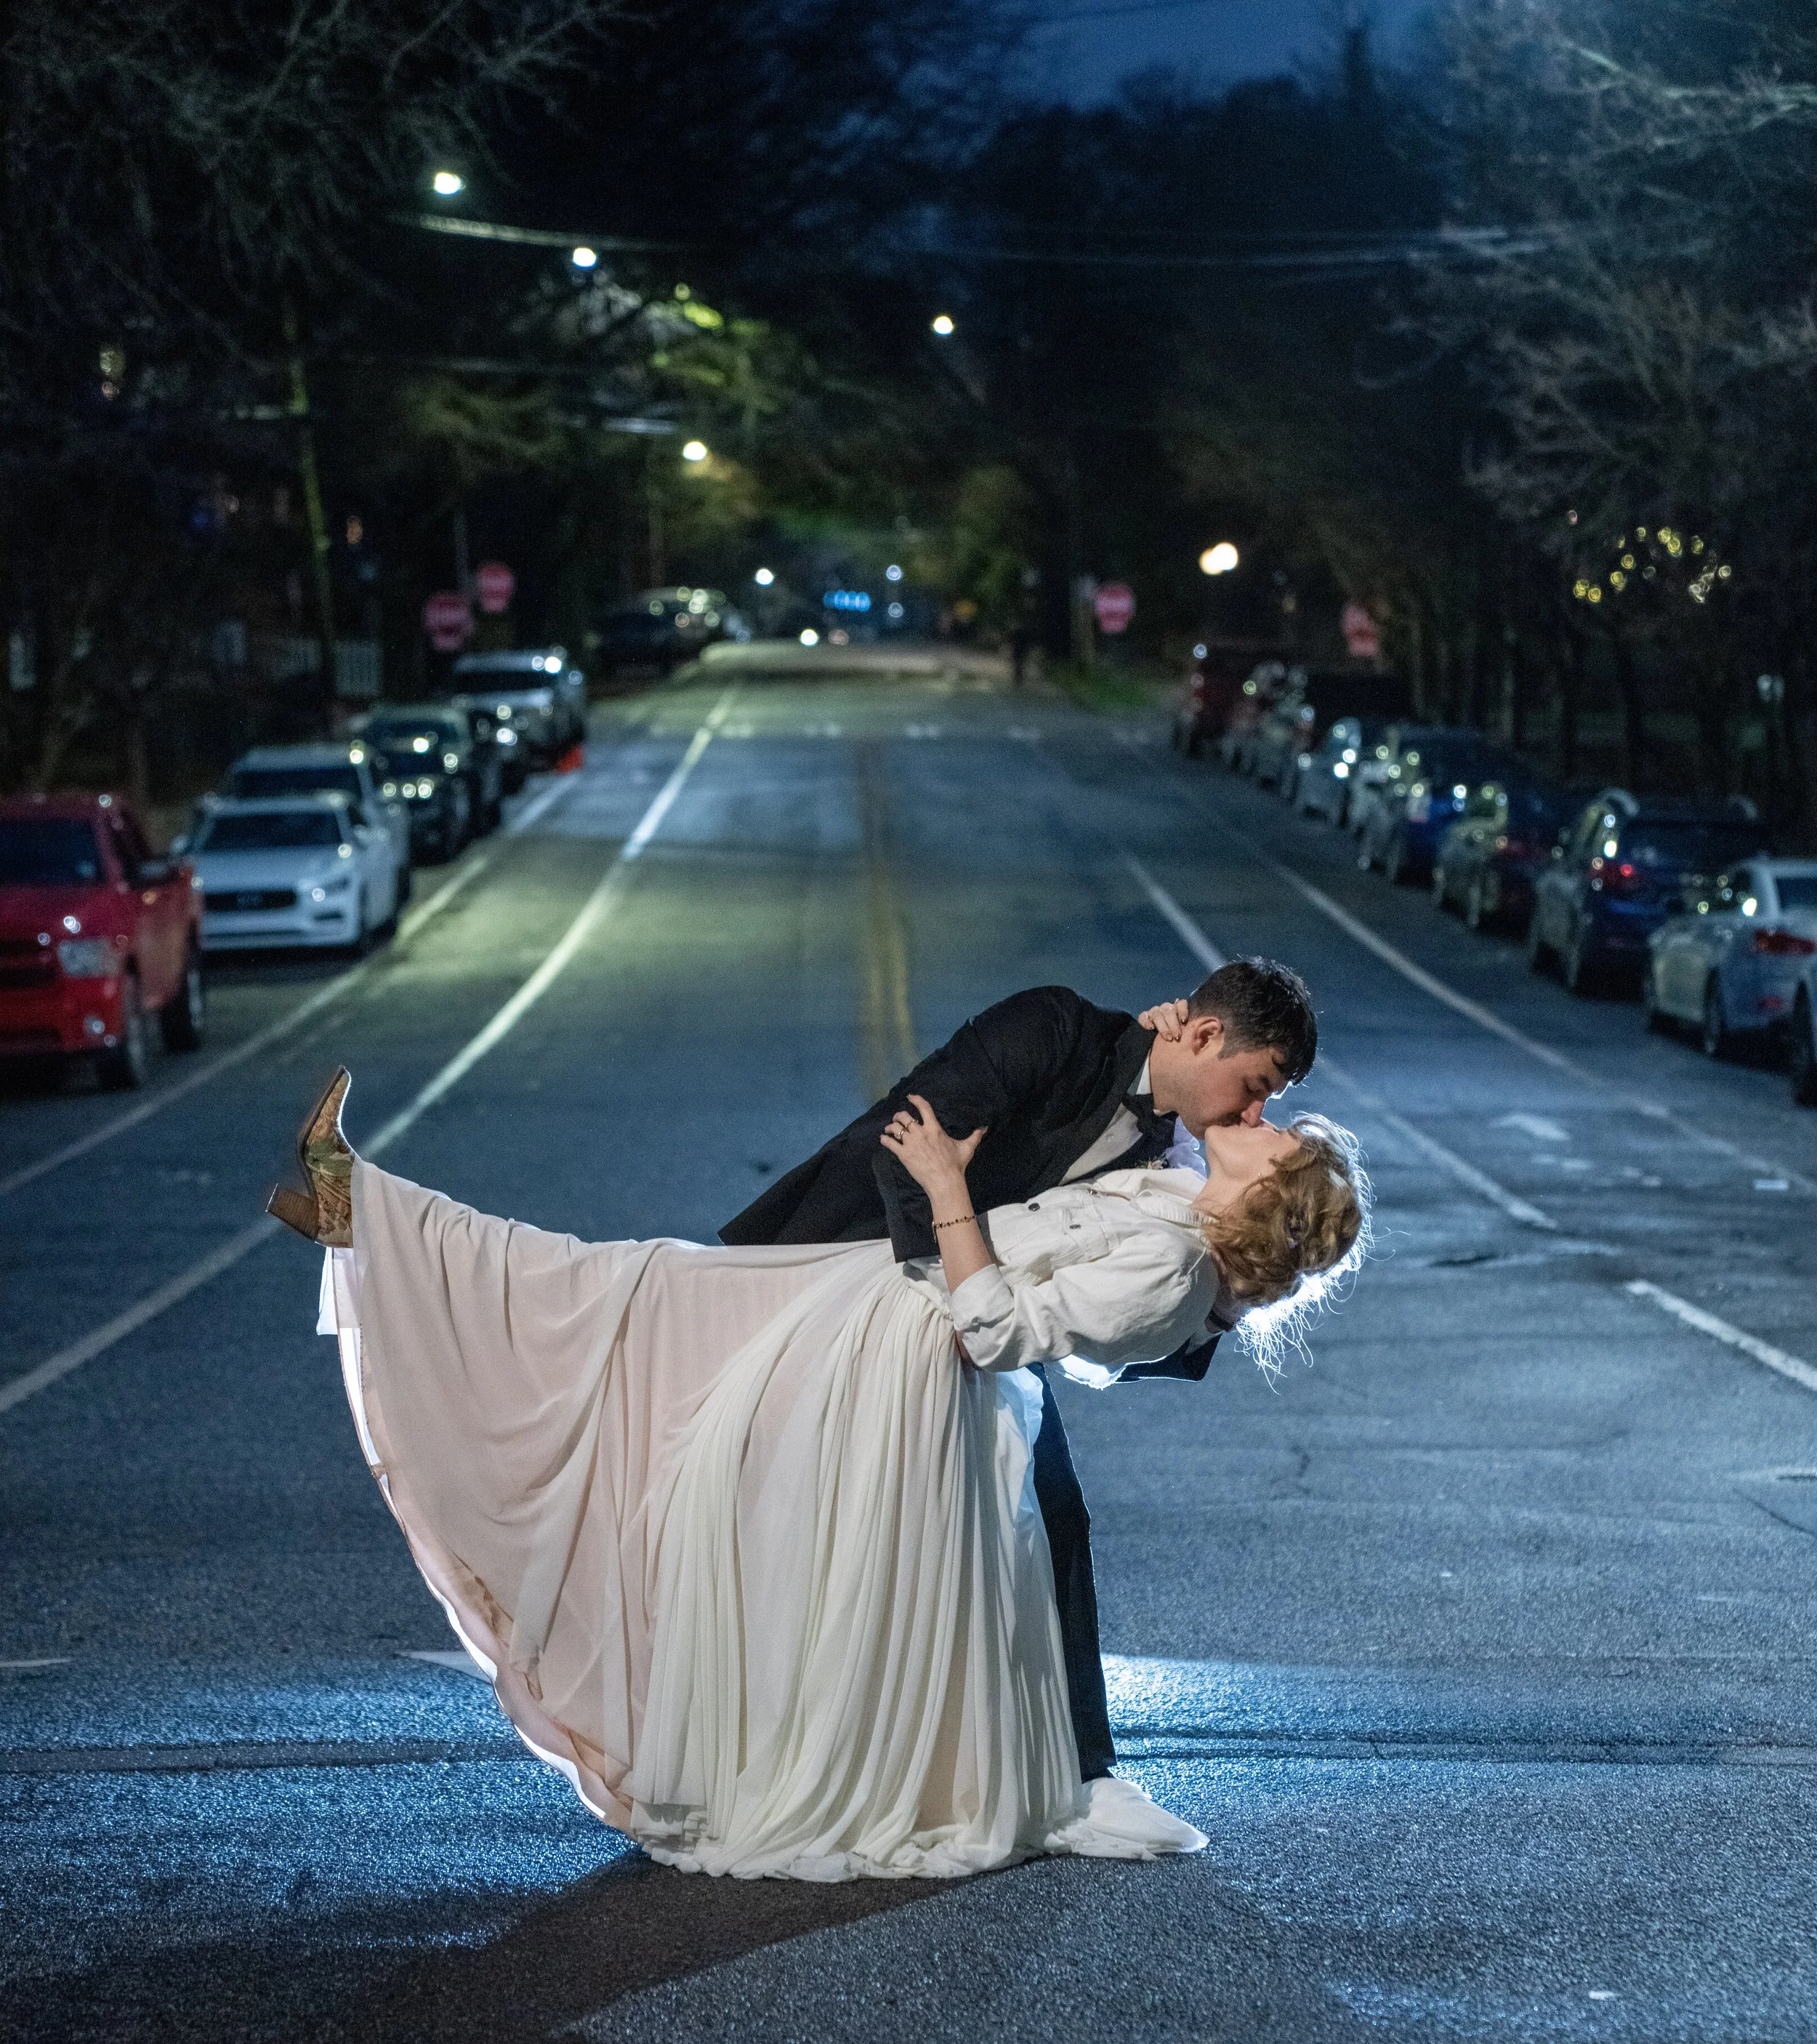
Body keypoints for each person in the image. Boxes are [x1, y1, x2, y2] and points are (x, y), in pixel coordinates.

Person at [270, 1051, 1367, 1883]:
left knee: (653, 1343)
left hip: (905, 1363)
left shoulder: (1176, 1270)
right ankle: (368, 1215)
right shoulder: (1178, 1203)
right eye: (1267, 1101)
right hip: (877, 1314)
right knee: (638, 1291)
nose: (1261, 1119)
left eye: (1277, 1136)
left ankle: (371, 1219)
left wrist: (943, 1185)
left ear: (1272, 1197)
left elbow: (994, 1329)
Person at [720, 961, 1318, 1782]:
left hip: (977, 1310)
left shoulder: (1178, 1146)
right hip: (846, 1254)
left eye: (1267, 1106)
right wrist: (953, 1304)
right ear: (1207, 1034)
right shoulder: (1058, 1028)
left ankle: (1077, 1767)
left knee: (1053, 1512)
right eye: (1255, 1086)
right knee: (754, 1482)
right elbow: (907, 1146)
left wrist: (1224, 1304)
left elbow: (1137, 1307)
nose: (1254, 1111)